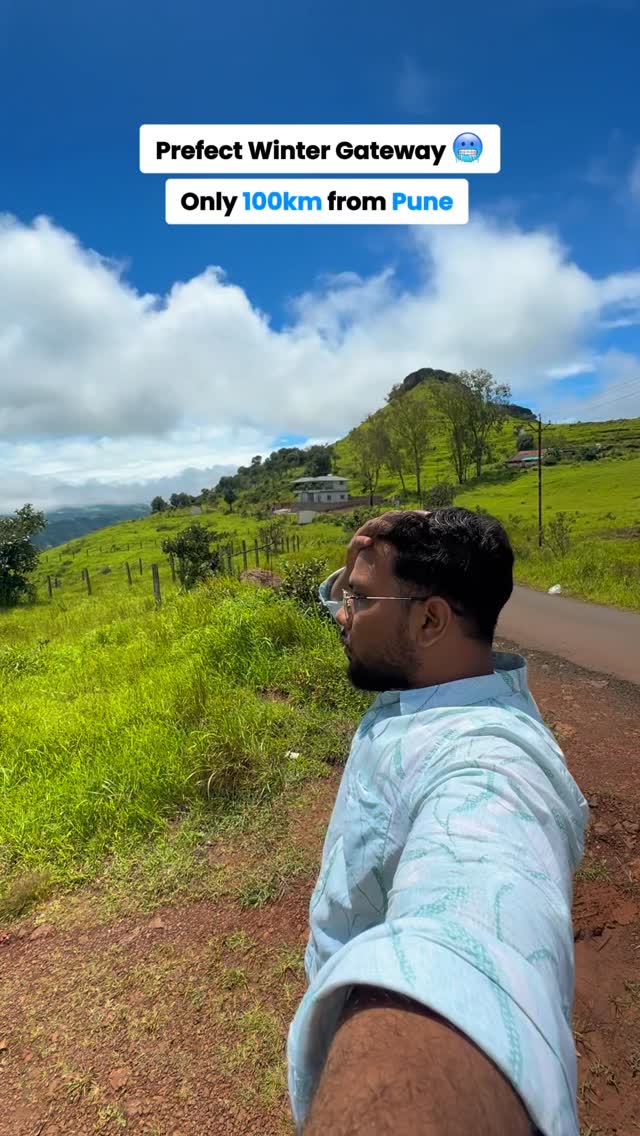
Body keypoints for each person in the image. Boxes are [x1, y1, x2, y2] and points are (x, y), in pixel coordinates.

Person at [287, 508, 588, 1136]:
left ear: (430, 621)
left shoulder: (492, 761)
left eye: (359, 599)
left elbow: (473, 931)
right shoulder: (432, 685)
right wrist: (354, 572)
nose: (340, 613)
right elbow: (350, 605)